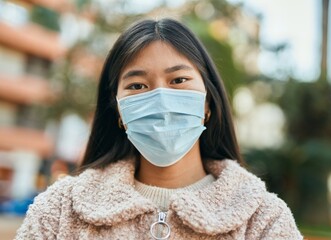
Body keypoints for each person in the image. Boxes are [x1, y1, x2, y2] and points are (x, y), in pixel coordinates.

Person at [16, 18, 303, 239]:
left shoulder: (263, 219)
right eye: (137, 86)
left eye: (178, 80)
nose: (160, 99)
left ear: (207, 104)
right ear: (118, 112)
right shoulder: (59, 210)